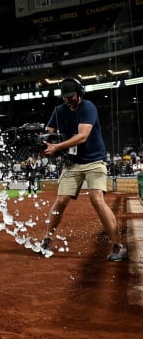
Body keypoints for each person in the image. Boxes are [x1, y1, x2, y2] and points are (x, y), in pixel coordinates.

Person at [39, 77, 127, 261]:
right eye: (64, 97)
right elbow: (49, 133)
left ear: (79, 93)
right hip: (72, 163)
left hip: (94, 161)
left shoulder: (88, 107)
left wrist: (57, 147)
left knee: (97, 199)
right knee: (61, 201)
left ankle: (118, 245)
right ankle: (47, 238)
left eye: (70, 96)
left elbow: (82, 136)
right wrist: (45, 142)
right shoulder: (58, 110)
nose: (67, 100)